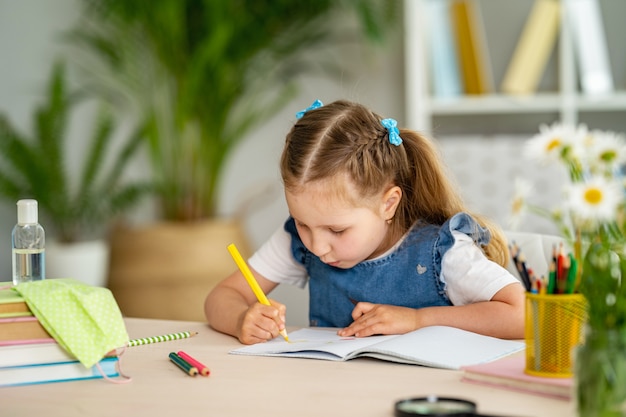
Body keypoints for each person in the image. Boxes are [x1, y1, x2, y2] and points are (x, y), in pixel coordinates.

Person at [205, 99, 525, 345]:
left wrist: (418, 320)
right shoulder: (299, 239)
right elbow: (221, 297)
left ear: (388, 204)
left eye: (337, 230)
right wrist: (240, 320)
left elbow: (522, 315)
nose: (316, 246)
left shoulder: (441, 252)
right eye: (302, 224)